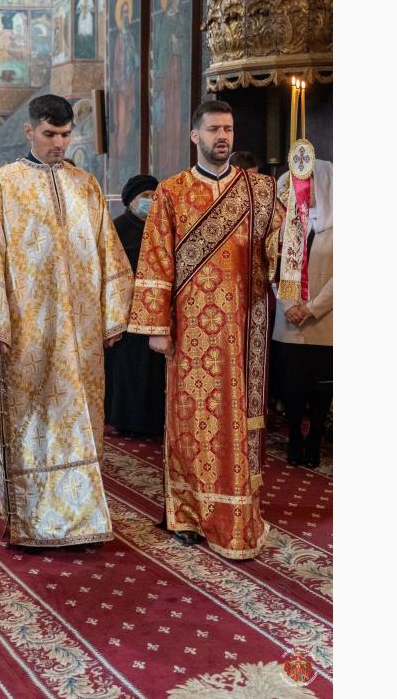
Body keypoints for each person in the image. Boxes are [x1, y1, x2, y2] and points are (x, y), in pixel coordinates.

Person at [0, 94, 133, 549]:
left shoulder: (86, 185)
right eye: (49, 134)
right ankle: (33, 521)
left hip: (80, 330)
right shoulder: (6, 183)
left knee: (81, 420)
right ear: (29, 132)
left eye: (65, 135)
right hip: (29, 331)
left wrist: (113, 314)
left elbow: (108, 249)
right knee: (32, 423)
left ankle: (81, 518)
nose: (58, 143)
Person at [128, 99, 284, 560]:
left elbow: (279, 251)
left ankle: (237, 511)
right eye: (214, 129)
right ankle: (188, 513)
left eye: (228, 129)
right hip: (191, 330)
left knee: (236, 423)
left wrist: (292, 219)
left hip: (242, 328)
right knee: (191, 423)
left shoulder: (259, 190)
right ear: (195, 135)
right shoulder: (172, 192)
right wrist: (156, 325)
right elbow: (156, 259)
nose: (223, 137)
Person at [273, 160, 332, 467]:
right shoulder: (291, 223)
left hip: (325, 322)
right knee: (292, 385)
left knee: (320, 388)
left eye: (309, 185)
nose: (304, 192)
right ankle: (295, 435)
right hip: (290, 322)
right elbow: (276, 265)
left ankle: (315, 438)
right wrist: (289, 305)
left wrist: (311, 308)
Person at [104, 175, 167, 439]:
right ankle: (125, 420)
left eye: (154, 196)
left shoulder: (163, 229)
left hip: (155, 308)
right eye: (145, 197)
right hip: (126, 309)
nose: (150, 201)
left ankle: (153, 421)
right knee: (127, 368)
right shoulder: (116, 228)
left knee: (153, 368)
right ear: (131, 201)